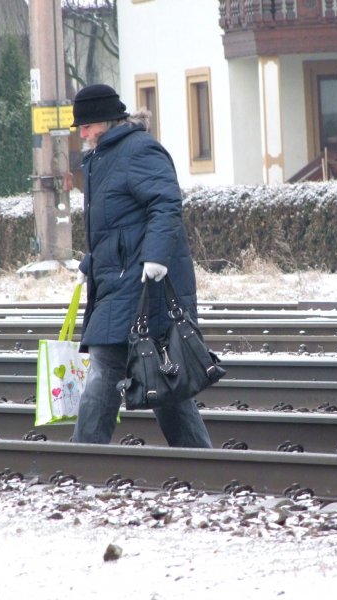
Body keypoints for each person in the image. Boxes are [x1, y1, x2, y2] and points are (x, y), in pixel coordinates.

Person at [70, 83, 212, 448]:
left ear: (105, 120)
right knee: (165, 384)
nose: (82, 134)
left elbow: (166, 204)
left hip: (144, 285)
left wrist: (156, 258)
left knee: (107, 369)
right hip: (120, 282)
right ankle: (203, 462)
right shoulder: (102, 158)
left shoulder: (138, 150)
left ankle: (84, 457)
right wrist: (91, 261)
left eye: (85, 125)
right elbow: (119, 226)